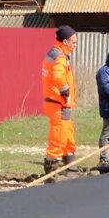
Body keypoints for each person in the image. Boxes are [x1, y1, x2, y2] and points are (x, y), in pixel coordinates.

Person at [42, 25, 78, 174]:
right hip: (58, 102)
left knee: (68, 133)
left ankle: (70, 164)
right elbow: (57, 77)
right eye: (74, 42)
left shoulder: (56, 53)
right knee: (58, 136)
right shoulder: (59, 57)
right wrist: (65, 91)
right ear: (65, 41)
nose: (75, 45)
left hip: (61, 103)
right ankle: (52, 167)